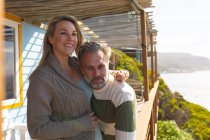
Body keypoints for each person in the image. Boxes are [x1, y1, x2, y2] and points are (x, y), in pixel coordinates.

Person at [27, 15, 128, 140]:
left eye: (74, 34)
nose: (70, 38)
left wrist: (117, 74)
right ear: (51, 39)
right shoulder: (41, 78)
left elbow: (95, 73)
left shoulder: (75, 64)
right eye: (63, 33)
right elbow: (37, 130)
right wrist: (81, 124)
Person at [78, 41, 137, 140]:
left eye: (101, 66)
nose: (96, 74)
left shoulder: (123, 95)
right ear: (82, 70)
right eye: (90, 68)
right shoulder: (80, 83)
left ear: (108, 64)